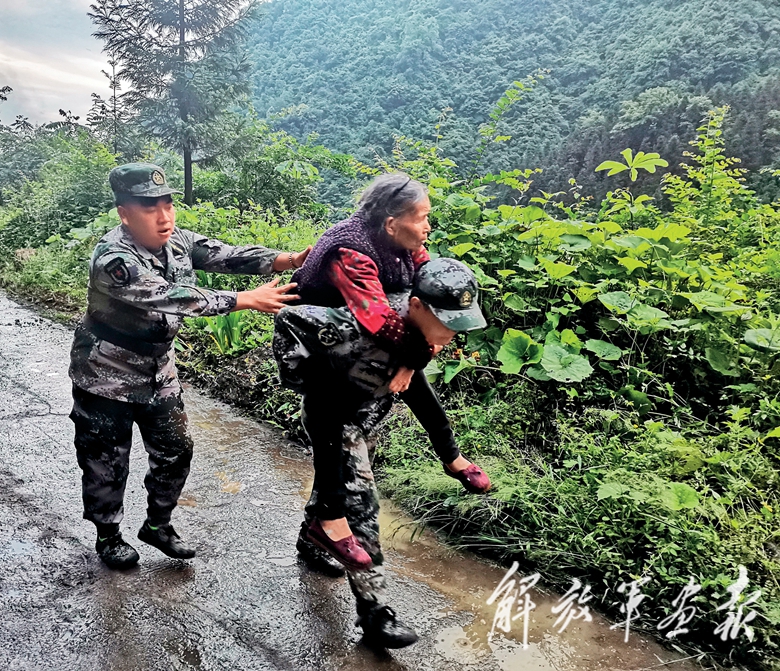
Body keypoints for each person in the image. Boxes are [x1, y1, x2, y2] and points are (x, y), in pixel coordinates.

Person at [69, 162, 310, 570]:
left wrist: (286, 260)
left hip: (157, 368)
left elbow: (225, 254)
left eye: (168, 204)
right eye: (150, 208)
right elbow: (170, 296)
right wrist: (243, 300)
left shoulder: (176, 239)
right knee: (106, 459)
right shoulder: (113, 259)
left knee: (176, 449)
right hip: (105, 372)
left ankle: (158, 524)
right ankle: (108, 534)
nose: (163, 216)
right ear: (124, 213)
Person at [273, 257, 489, 648]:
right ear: (417, 307)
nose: (453, 334)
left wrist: (451, 456)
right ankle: (376, 613)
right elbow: (291, 318)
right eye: (448, 324)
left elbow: (419, 391)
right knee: (361, 507)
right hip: (334, 417)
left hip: (368, 412)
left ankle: (311, 540)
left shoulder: (414, 328)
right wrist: (308, 379)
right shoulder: (357, 327)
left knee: (336, 488)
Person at [287, 172, 490, 569]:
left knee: (413, 394)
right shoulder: (350, 252)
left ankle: (450, 455)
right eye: (422, 217)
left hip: (372, 350)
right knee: (332, 429)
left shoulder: (407, 245)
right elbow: (377, 319)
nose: (428, 226)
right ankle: (332, 527)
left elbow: (426, 286)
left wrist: (415, 357)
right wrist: (419, 353)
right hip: (324, 351)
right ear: (392, 223)